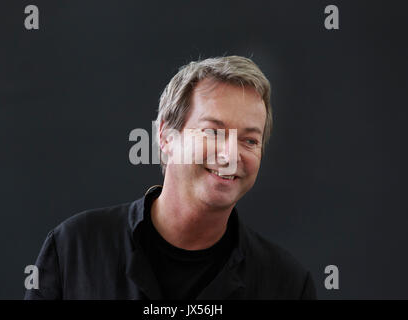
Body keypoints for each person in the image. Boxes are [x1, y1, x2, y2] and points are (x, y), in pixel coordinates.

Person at [24, 56, 317, 300]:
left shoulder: (288, 286)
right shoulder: (73, 250)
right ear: (165, 135)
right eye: (213, 132)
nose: (230, 155)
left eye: (250, 141)